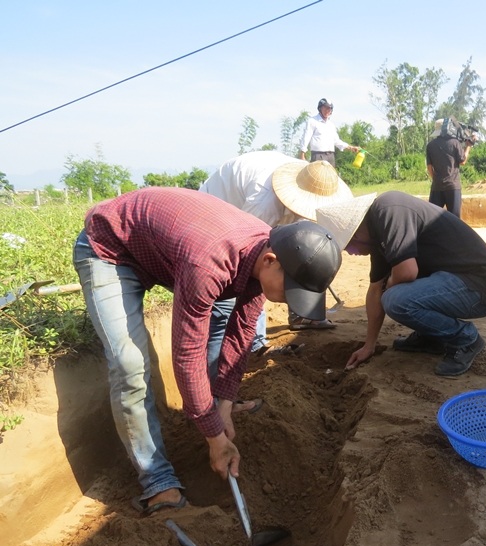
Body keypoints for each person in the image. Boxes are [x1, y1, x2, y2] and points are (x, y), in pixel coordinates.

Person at [72, 187, 341, 515]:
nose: (289, 301)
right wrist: (215, 438)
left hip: (166, 249)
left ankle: (207, 409)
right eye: (291, 291)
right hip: (111, 248)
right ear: (271, 261)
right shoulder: (210, 263)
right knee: (130, 364)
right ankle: (157, 481)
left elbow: (240, 334)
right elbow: (187, 356)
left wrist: (223, 407)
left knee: (222, 318)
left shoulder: (261, 253)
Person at [316, 190, 486, 377]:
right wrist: (369, 345)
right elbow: (375, 289)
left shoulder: (388, 209)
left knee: (395, 299)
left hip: (482, 285)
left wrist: (389, 286)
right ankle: (432, 338)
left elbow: (407, 272)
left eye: (348, 247)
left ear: (355, 233)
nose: (351, 253)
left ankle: (466, 339)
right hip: (459, 282)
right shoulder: (377, 236)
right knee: (392, 295)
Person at [200, 151, 353, 339]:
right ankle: (251, 342)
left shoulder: (314, 178)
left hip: (252, 205)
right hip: (215, 214)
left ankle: (301, 314)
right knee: (235, 290)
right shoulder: (263, 203)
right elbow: (251, 256)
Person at [425, 117, 476, 219]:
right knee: (455, 219)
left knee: (432, 219)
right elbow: (463, 161)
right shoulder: (454, 142)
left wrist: (436, 180)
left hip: (437, 187)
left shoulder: (430, 146)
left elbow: (429, 168)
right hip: (453, 187)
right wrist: (468, 146)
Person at [299, 98, 359, 167]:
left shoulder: (331, 125)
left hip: (330, 157)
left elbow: (336, 141)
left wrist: (350, 147)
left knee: (331, 177)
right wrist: (302, 154)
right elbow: (306, 137)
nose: (327, 111)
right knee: (317, 177)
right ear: (320, 108)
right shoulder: (312, 121)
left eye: (329, 109)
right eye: (325, 108)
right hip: (318, 155)